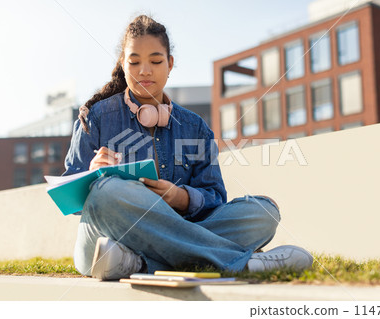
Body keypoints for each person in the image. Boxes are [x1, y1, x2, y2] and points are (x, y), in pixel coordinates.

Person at [63, 15, 313, 280]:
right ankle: (243, 263)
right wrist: (91, 176)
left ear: (170, 64)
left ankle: (139, 263)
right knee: (106, 191)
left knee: (263, 212)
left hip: (132, 246)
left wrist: (181, 198)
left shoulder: (195, 127)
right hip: (107, 238)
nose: (144, 71)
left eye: (156, 61)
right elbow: (70, 197)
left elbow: (215, 197)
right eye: (134, 62)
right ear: (123, 65)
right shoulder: (96, 117)